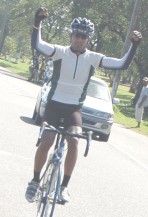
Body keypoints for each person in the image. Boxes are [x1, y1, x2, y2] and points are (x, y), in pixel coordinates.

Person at [25, 7, 142, 203]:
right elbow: (37, 45)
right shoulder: (59, 52)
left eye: (84, 37)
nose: (80, 39)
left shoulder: (93, 58)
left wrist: (134, 45)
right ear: (71, 36)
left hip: (73, 109)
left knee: (75, 141)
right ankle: (35, 181)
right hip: (54, 105)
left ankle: (63, 187)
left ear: (88, 39)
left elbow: (121, 64)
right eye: (77, 35)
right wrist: (38, 22)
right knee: (46, 141)